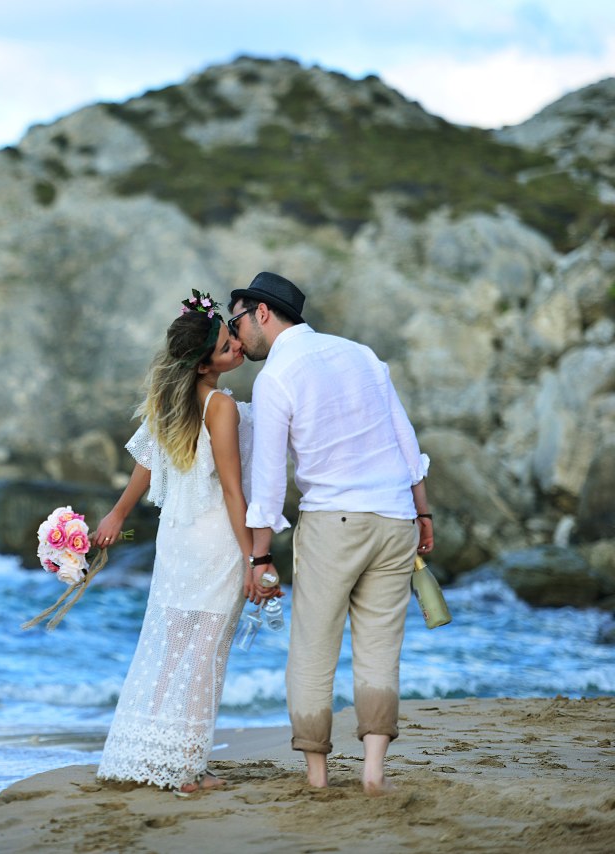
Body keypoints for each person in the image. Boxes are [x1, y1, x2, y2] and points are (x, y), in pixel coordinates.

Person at [227, 271, 434, 795]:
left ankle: (317, 775)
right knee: (381, 649)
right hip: (394, 519)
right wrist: (423, 514)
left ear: (263, 314)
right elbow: (404, 439)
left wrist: (259, 558)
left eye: (238, 319)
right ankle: (373, 772)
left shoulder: (278, 375)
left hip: (334, 523)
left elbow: (270, 481)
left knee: (314, 650)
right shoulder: (361, 354)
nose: (237, 331)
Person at [94, 290, 278, 796]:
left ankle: (146, 752)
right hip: (215, 539)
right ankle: (188, 768)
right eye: (225, 348)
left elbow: (145, 465)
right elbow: (234, 489)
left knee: (171, 646)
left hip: (175, 542)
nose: (237, 348)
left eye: (231, 339)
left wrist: (117, 513)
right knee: (205, 652)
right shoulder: (220, 406)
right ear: (202, 367)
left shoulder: (171, 400)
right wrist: (254, 558)